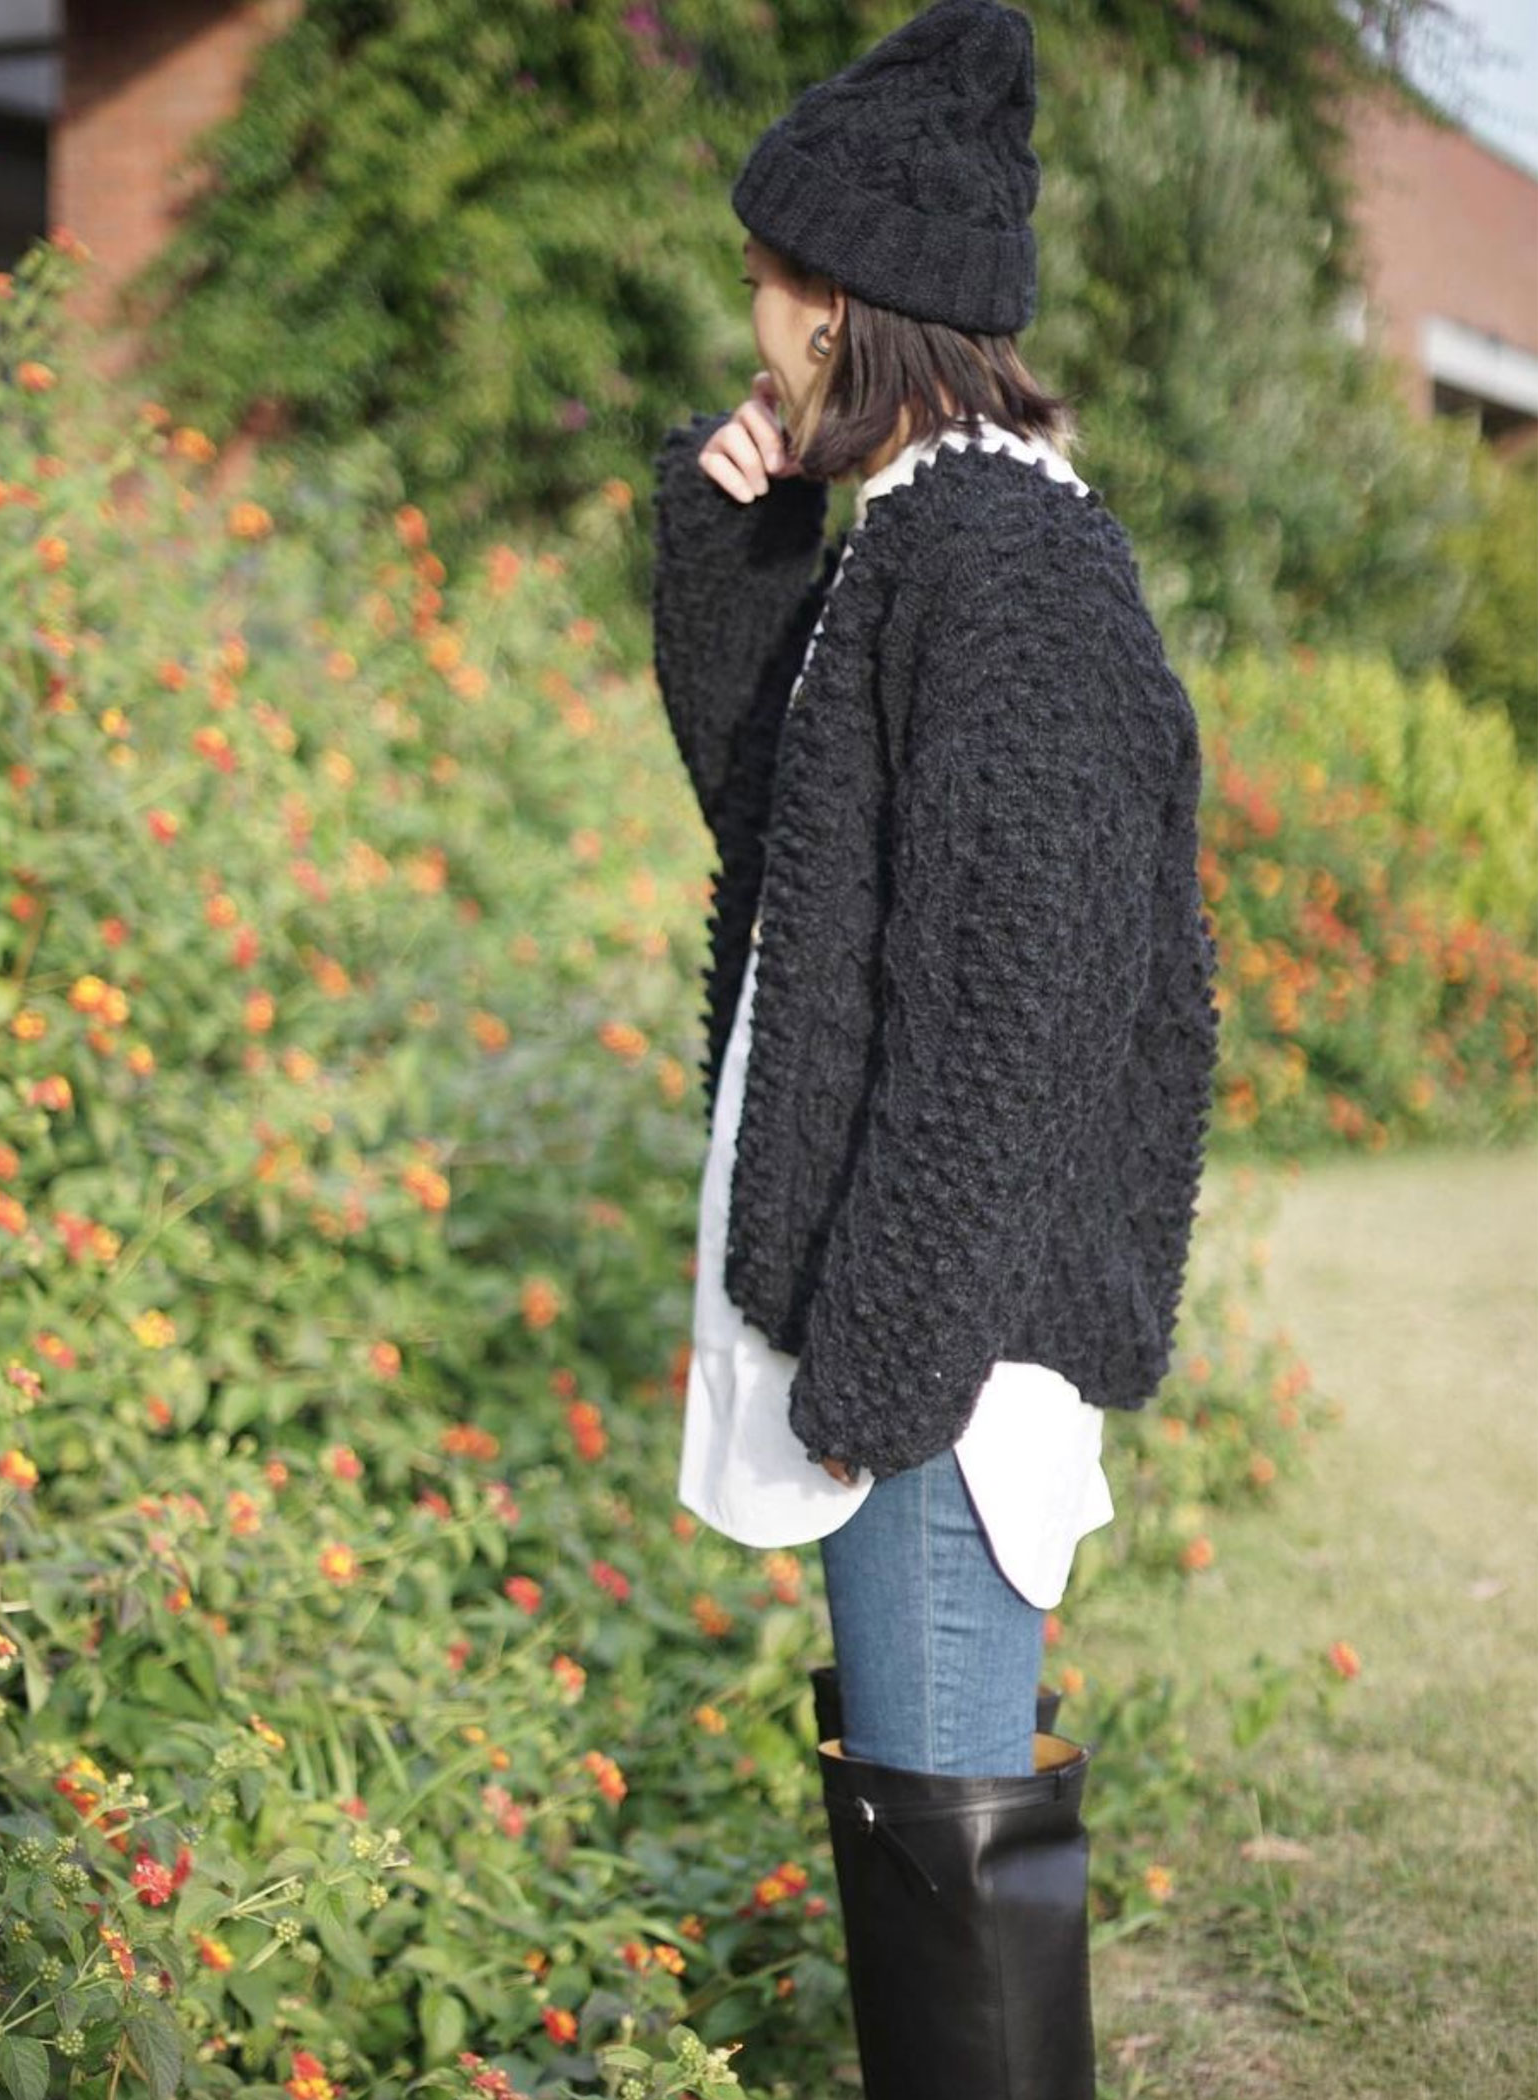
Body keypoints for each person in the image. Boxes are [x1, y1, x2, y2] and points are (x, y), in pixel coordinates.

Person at [647, 3, 1221, 2095]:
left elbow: (1024, 1002)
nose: (749, 319)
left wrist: (876, 1378)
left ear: (837, 304)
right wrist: (739, 535)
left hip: (938, 1362)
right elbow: (779, 828)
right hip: (904, 1329)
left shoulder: (1005, 566)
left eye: (764, 280)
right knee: (928, 1858)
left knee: (951, 1866)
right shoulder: (918, 536)